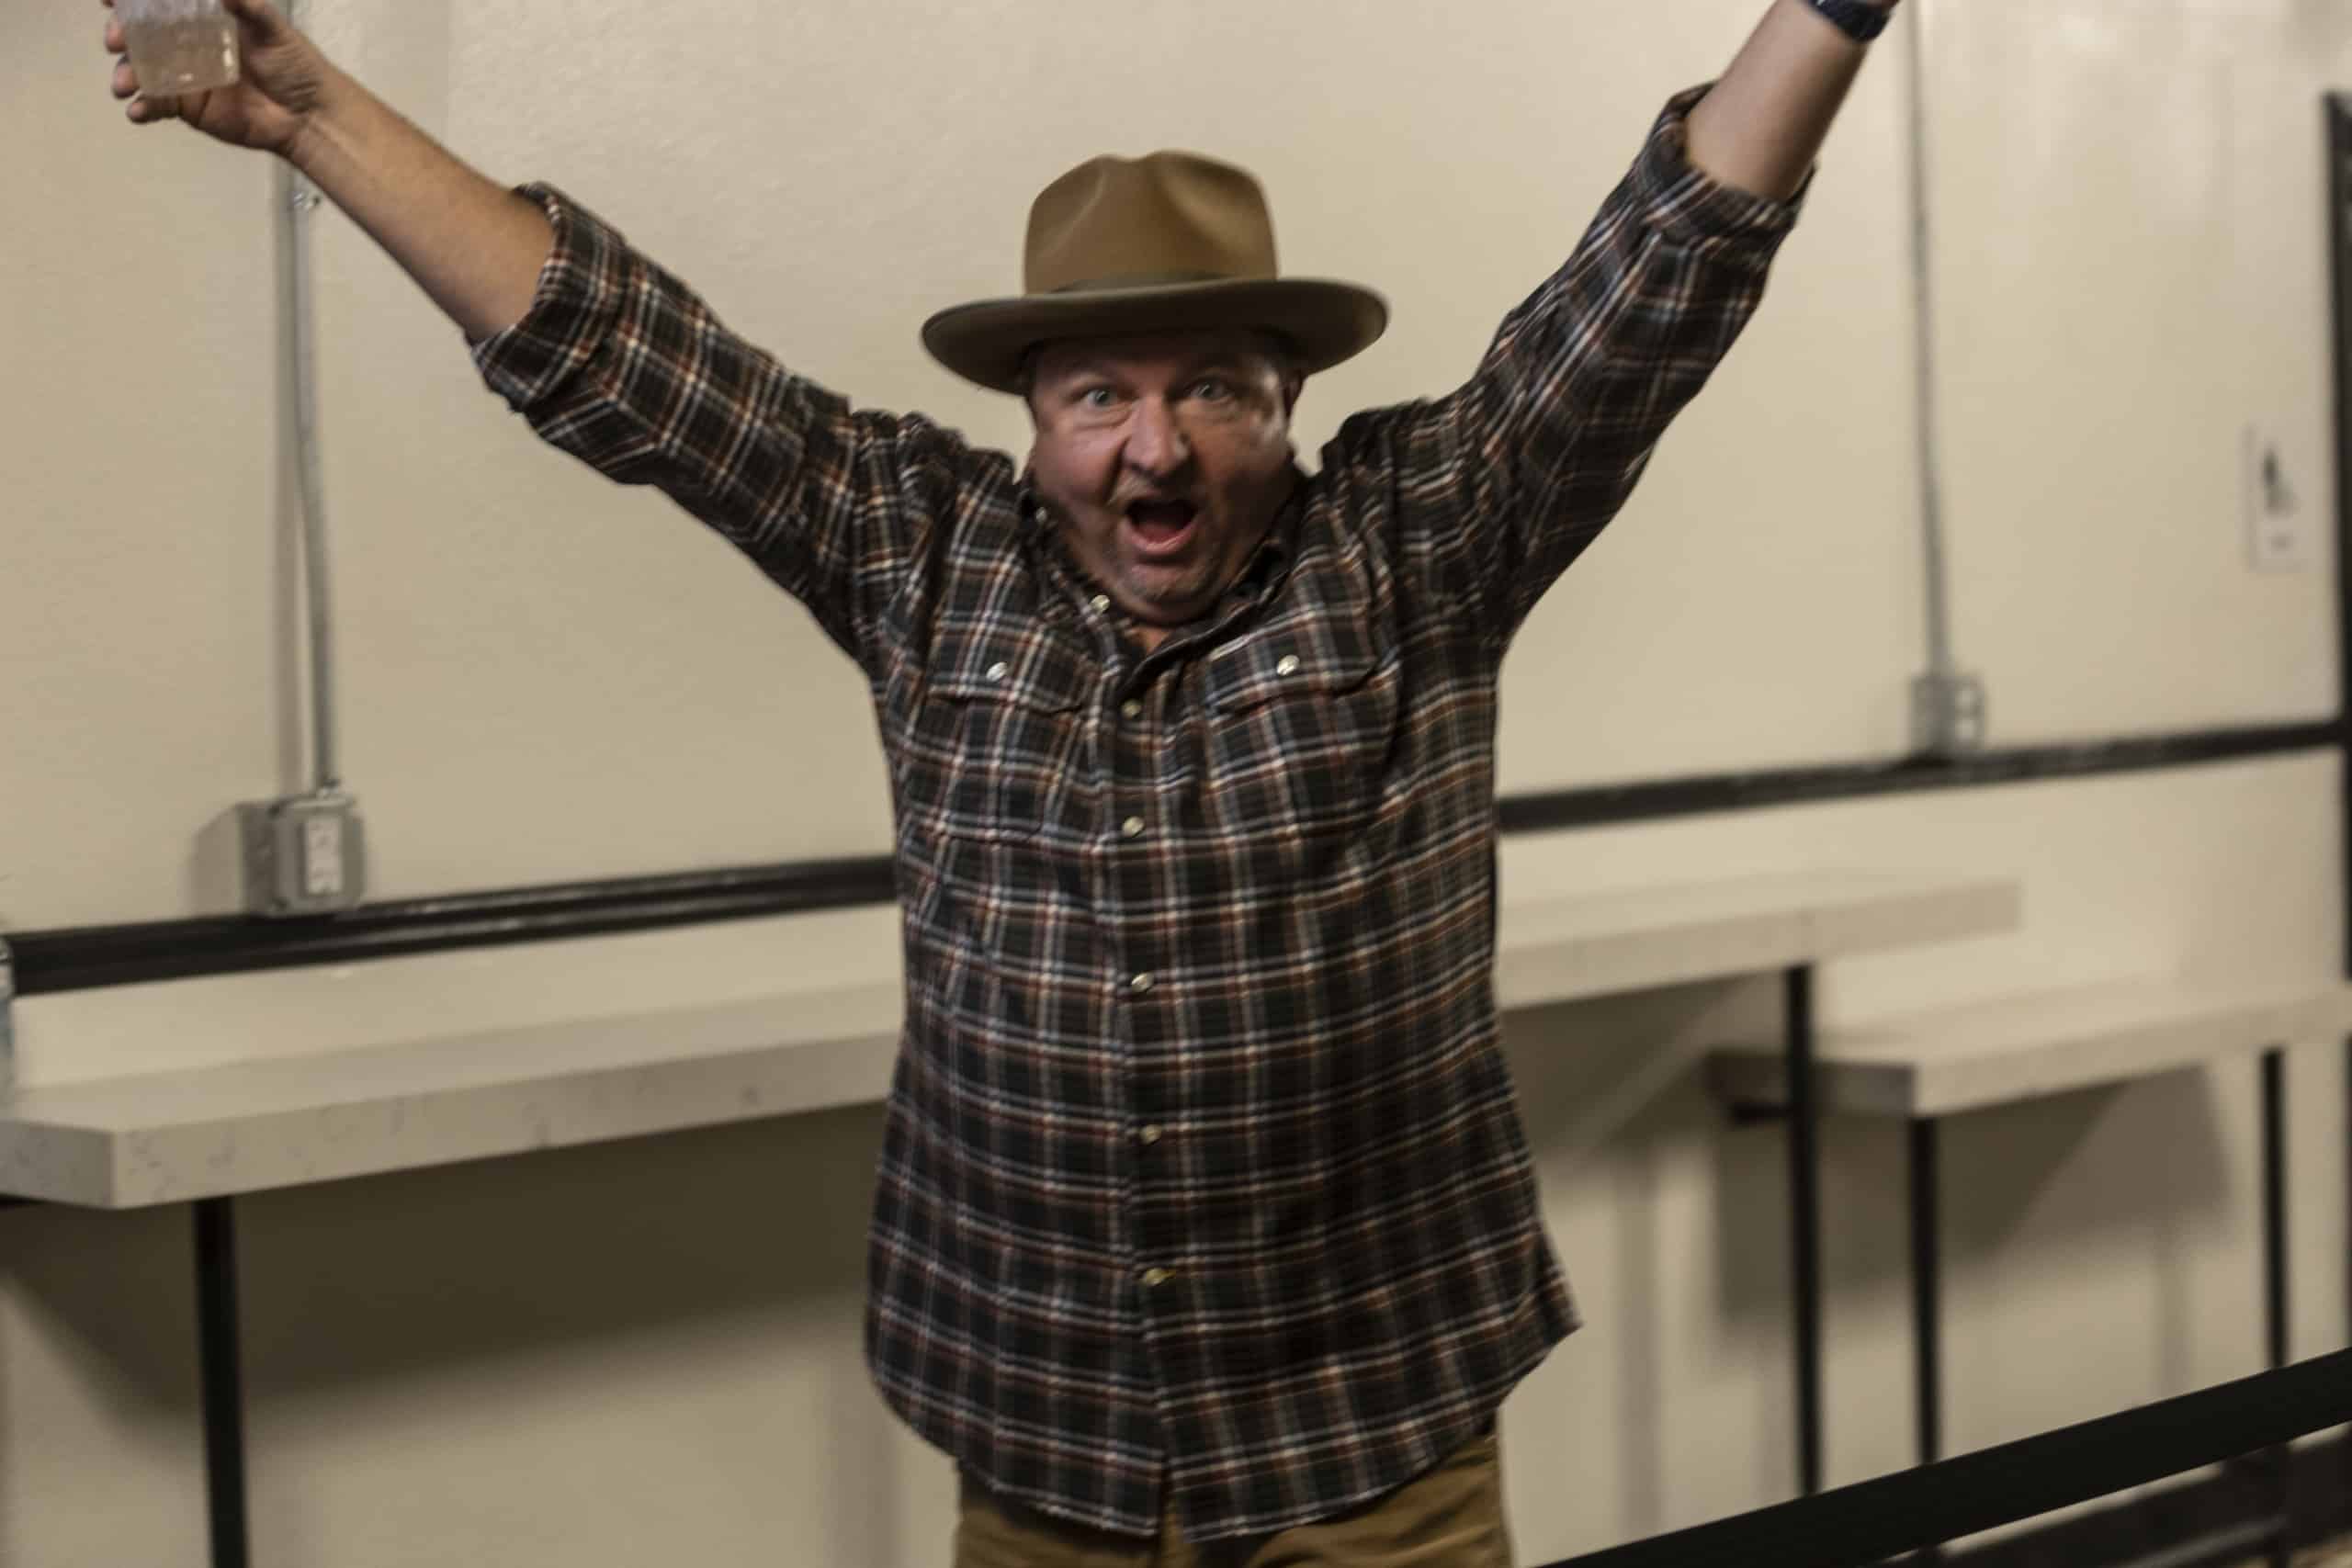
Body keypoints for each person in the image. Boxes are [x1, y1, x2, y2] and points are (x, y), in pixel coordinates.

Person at [105, 1, 1899, 1562]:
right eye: (1099, 393)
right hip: (1047, 1443)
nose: (1154, 446)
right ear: (1031, 418)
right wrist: (312, 113)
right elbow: (617, 351)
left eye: (1215, 389)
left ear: (1288, 403)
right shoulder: (915, 547)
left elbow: (1659, 270)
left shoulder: (1417, 538)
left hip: (1375, 1434)